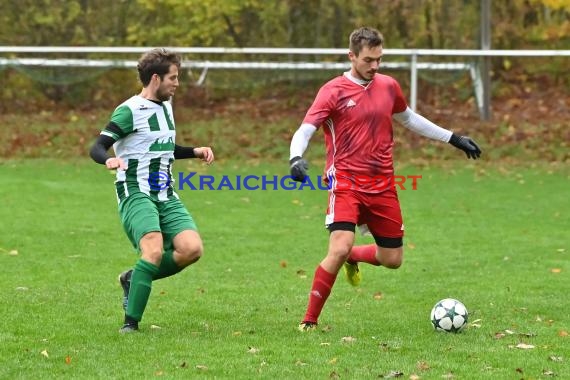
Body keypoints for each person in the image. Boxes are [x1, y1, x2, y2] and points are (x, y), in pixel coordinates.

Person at [289, 27, 481, 332]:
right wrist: (295, 157)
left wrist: (453, 138)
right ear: (351, 56)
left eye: (379, 59)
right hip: (346, 182)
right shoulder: (333, 91)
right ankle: (309, 321)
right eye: (368, 60)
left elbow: (410, 118)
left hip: (383, 186)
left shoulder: (388, 86)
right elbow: (306, 129)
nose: (375, 66)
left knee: (392, 259)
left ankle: (353, 255)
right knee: (337, 247)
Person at [89, 48, 214, 333]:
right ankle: (130, 324)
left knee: (191, 249)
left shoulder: (166, 106)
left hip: (165, 193)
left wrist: (194, 151)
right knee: (154, 251)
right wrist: (108, 158)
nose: (177, 83)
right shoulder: (129, 110)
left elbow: (162, 148)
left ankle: (133, 278)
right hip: (136, 191)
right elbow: (97, 146)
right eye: (173, 77)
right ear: (155, 79)